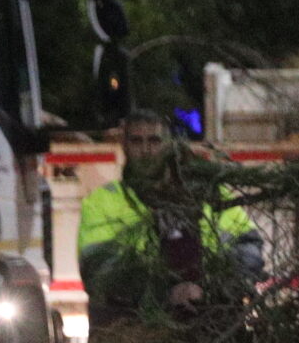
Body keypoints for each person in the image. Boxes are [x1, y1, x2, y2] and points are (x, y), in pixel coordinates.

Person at [78, 109, 265, 330]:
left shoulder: (210, 195)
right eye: (137, 141)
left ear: (169, 145)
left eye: (155, 141)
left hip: (208, 331)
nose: (146, 151)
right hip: (130, 336)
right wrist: (167, 292)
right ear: (124, 146)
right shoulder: (103, 202)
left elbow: (248, 248)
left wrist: (210, 288)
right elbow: (100, 271)